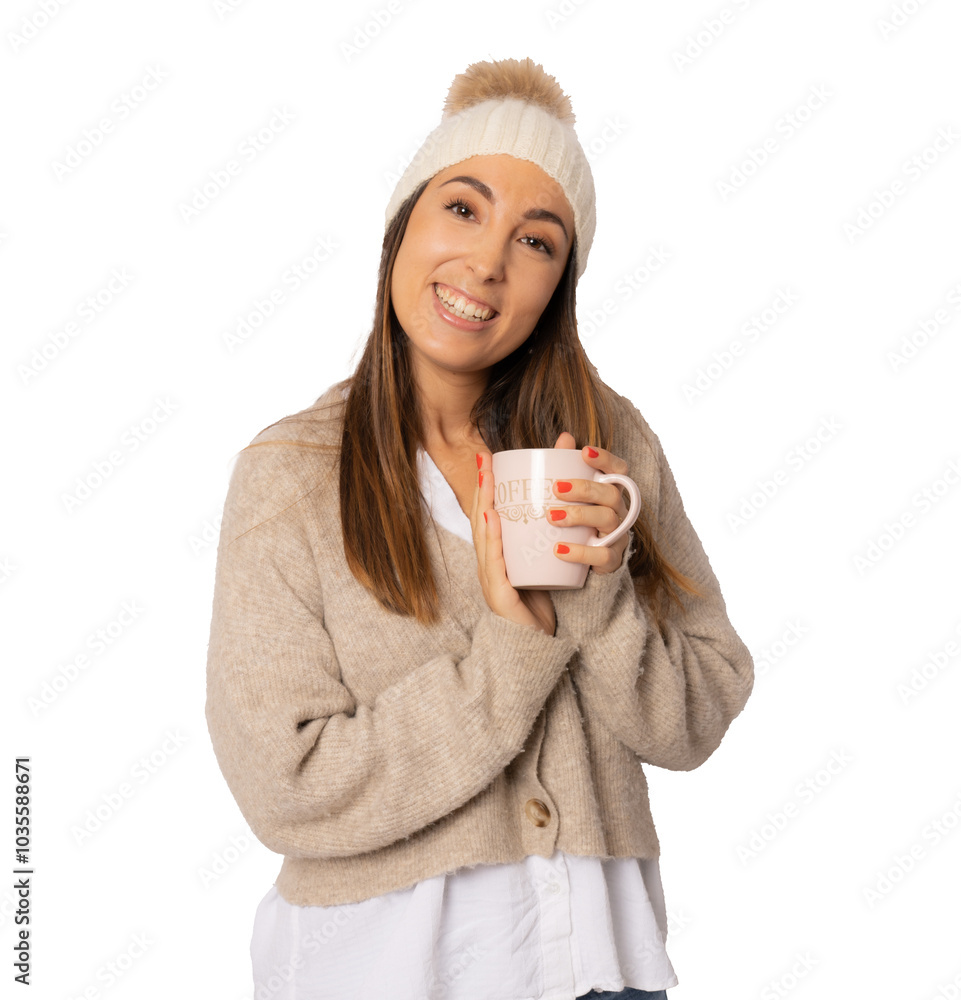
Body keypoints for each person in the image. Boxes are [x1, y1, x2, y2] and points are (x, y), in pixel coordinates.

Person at [205, 56, 754, 1000]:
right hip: (382, 973)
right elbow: (285, 781)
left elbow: (699, 714)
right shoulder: (290, 475)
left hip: (602, 972)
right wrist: (513, 649)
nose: (489, 264)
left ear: (560, 286)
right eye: (462, 210)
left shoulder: (613, 446)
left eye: (536, 241)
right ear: (401, 227)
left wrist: (602, 596)